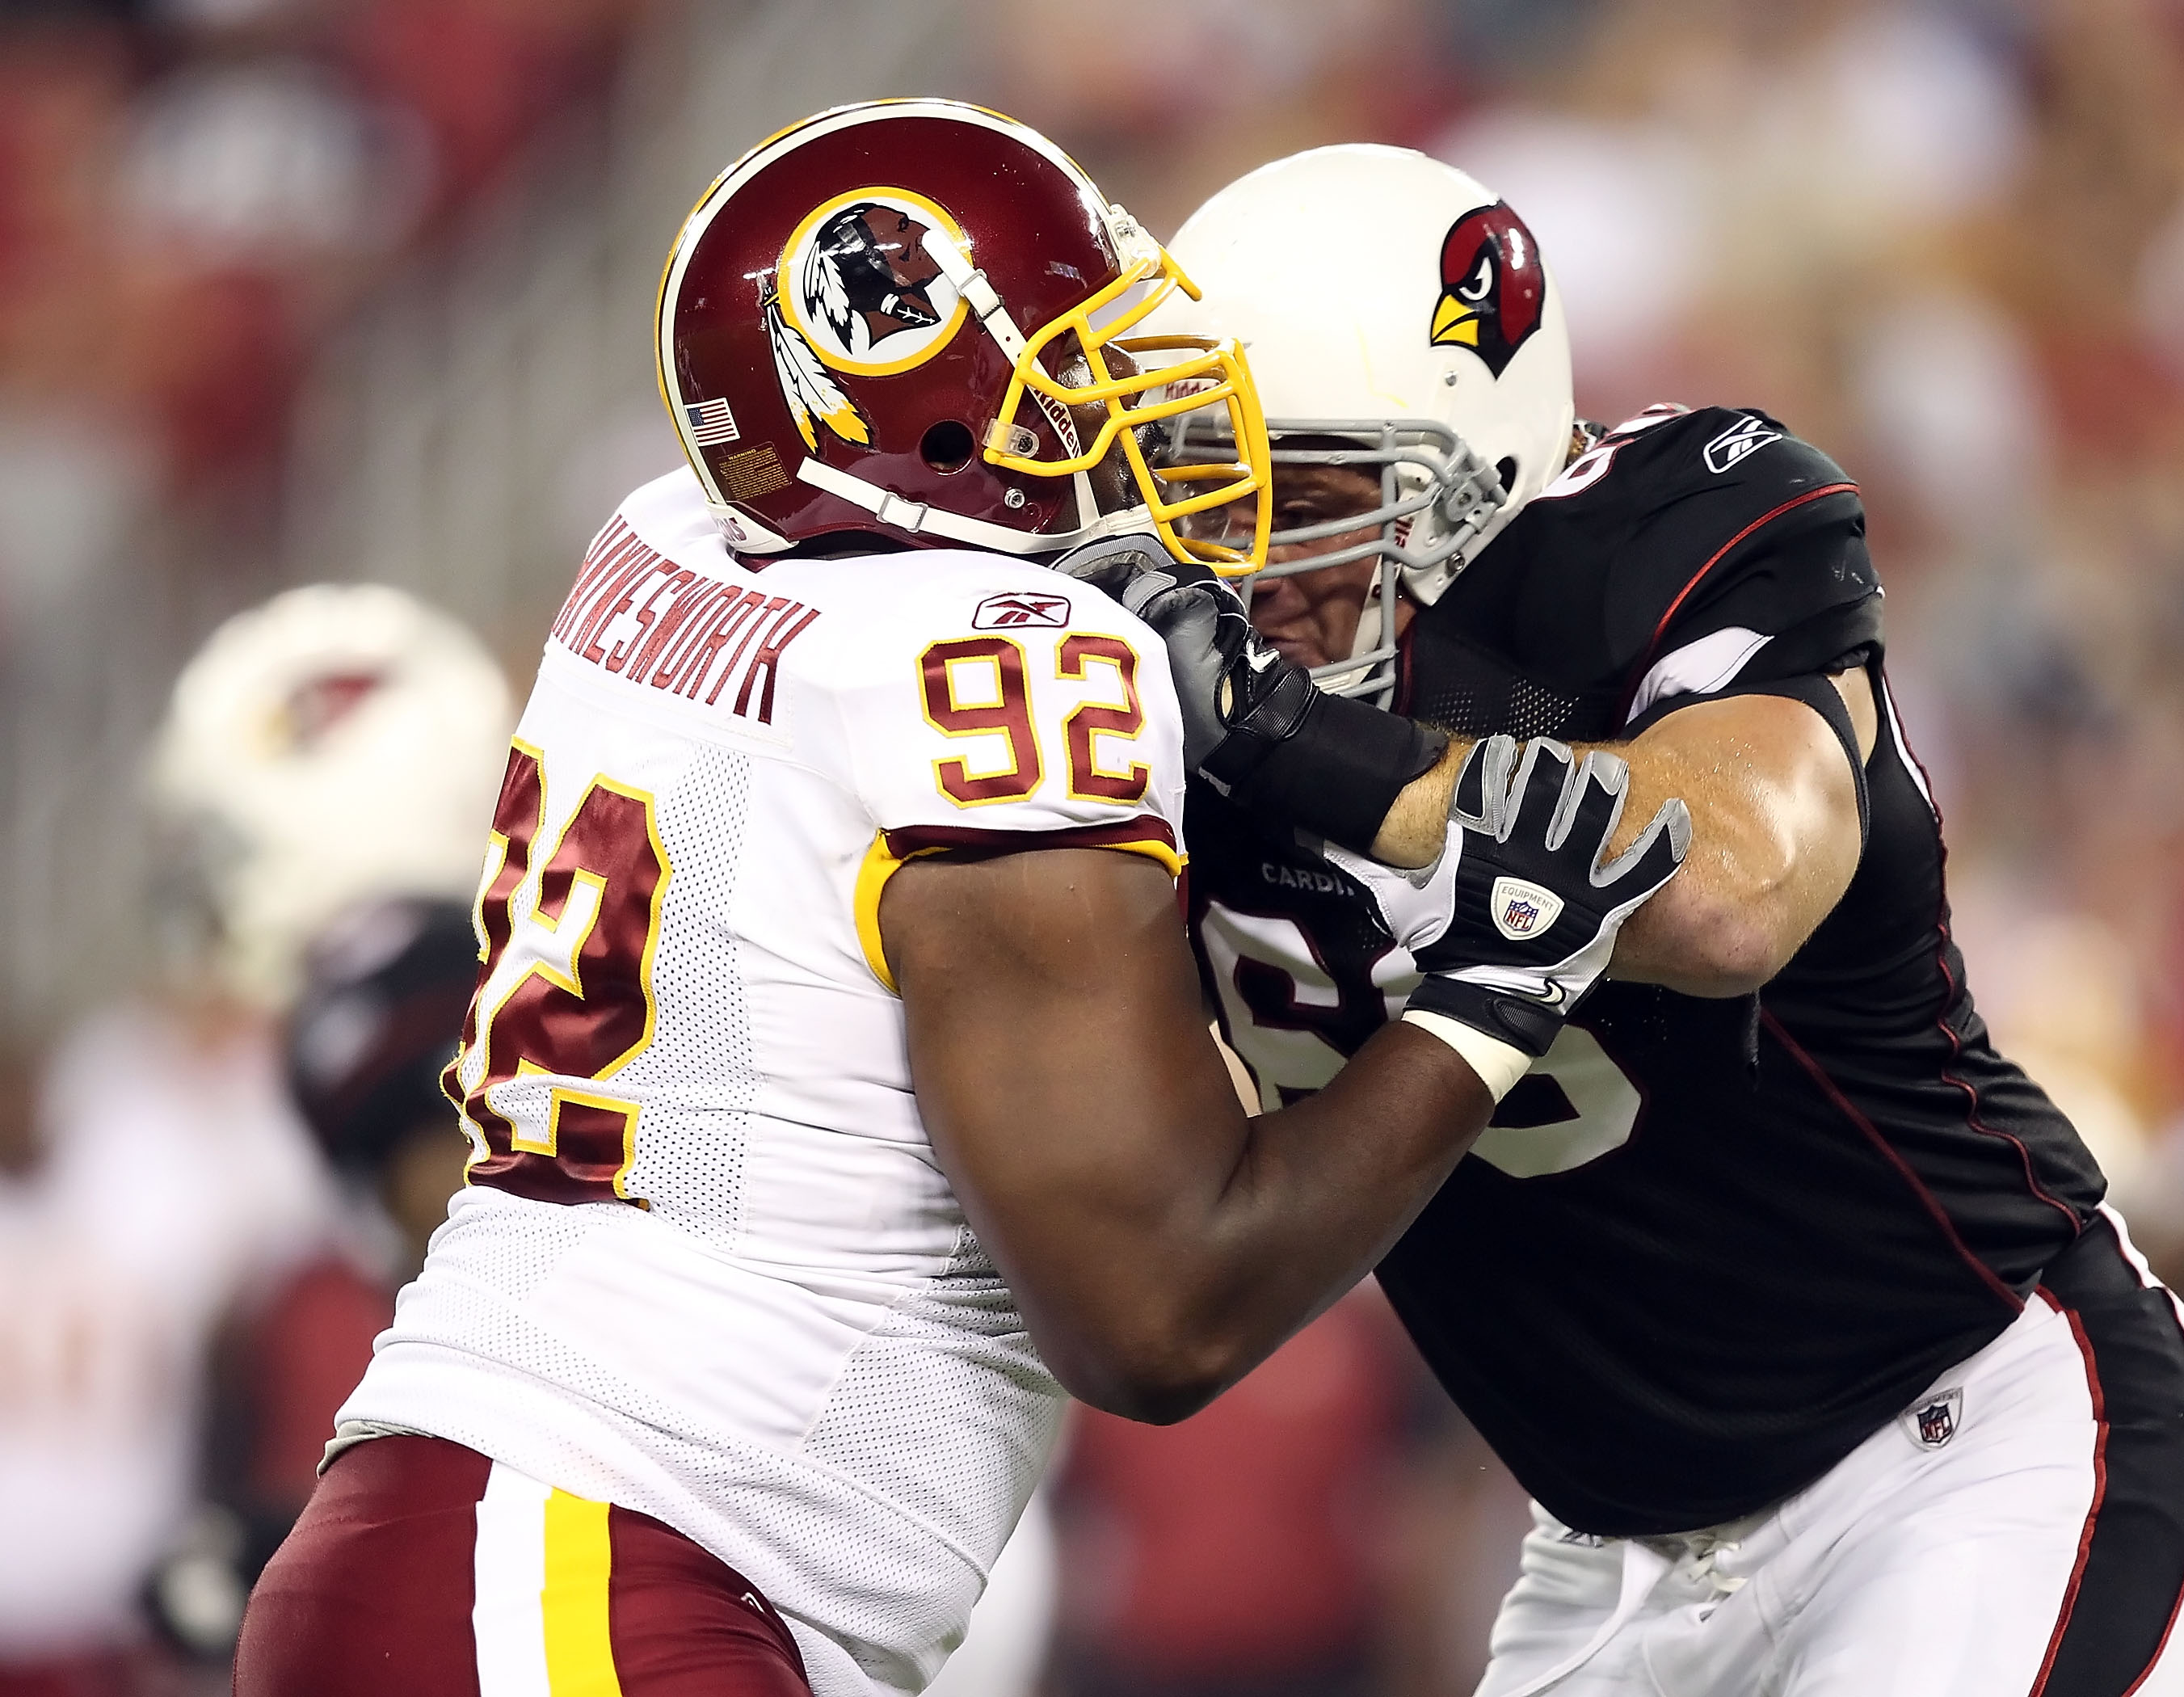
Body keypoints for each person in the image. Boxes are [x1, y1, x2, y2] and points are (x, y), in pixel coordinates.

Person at [230, 102, 1691, 1697]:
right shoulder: (1005, 668)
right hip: (597, 1566)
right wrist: (1489, 996)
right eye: (1074, 381)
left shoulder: (664, 537)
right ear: (916, 421)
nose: (1122, 427)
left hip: (504, 1533)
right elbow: (1156, 1314)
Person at [1111, 144, 2184, 1696]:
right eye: (1194, 483)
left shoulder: (1665, 541)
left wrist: (1295, 746)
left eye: (1296, 496)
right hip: (1614, 1567)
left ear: (1461, 467)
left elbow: (1725, 892)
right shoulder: (1146, 674)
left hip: (1969, 1445)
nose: (1233, 558)